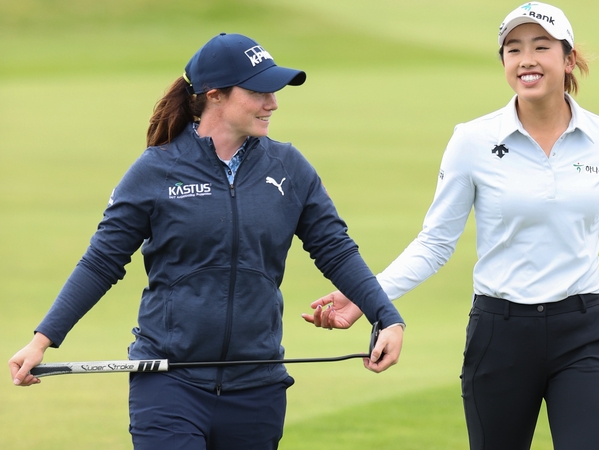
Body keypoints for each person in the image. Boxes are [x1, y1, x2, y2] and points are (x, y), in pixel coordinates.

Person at [301, 3, 599, 449]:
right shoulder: (472, 140)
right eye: (514, 49)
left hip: (582, 330)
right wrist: (369, 298)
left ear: (569, 59)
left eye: (542, 47)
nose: (527, 59)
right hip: (499, 333)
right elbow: (435, 244)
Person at [8, 33, 405, 450]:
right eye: (258, 91)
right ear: (215, 96)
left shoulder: (289, 167)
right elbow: (101, 261)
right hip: (168, 385)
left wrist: (386, 316)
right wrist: (42, 340)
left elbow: (335, 249)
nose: (272, 103)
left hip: (258, 389)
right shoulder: (155, 170)